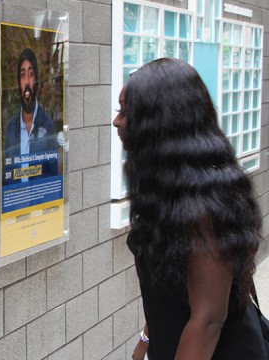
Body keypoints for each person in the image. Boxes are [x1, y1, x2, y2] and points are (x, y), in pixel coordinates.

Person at [112, 58, 266, 359]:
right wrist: (147, 337)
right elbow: (173, 286)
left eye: (126, 112)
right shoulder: (168, 189)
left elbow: (208, 319)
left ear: (159, 122)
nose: (117, 122)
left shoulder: (201, 207)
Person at [3, 48, 58, 184]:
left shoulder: (47, 125)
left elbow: (52, 175)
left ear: (37, 80)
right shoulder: (11, 128)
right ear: (18, 83)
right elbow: (7, 176)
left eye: (31, 74)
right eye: (22, 75)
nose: (27, 81)